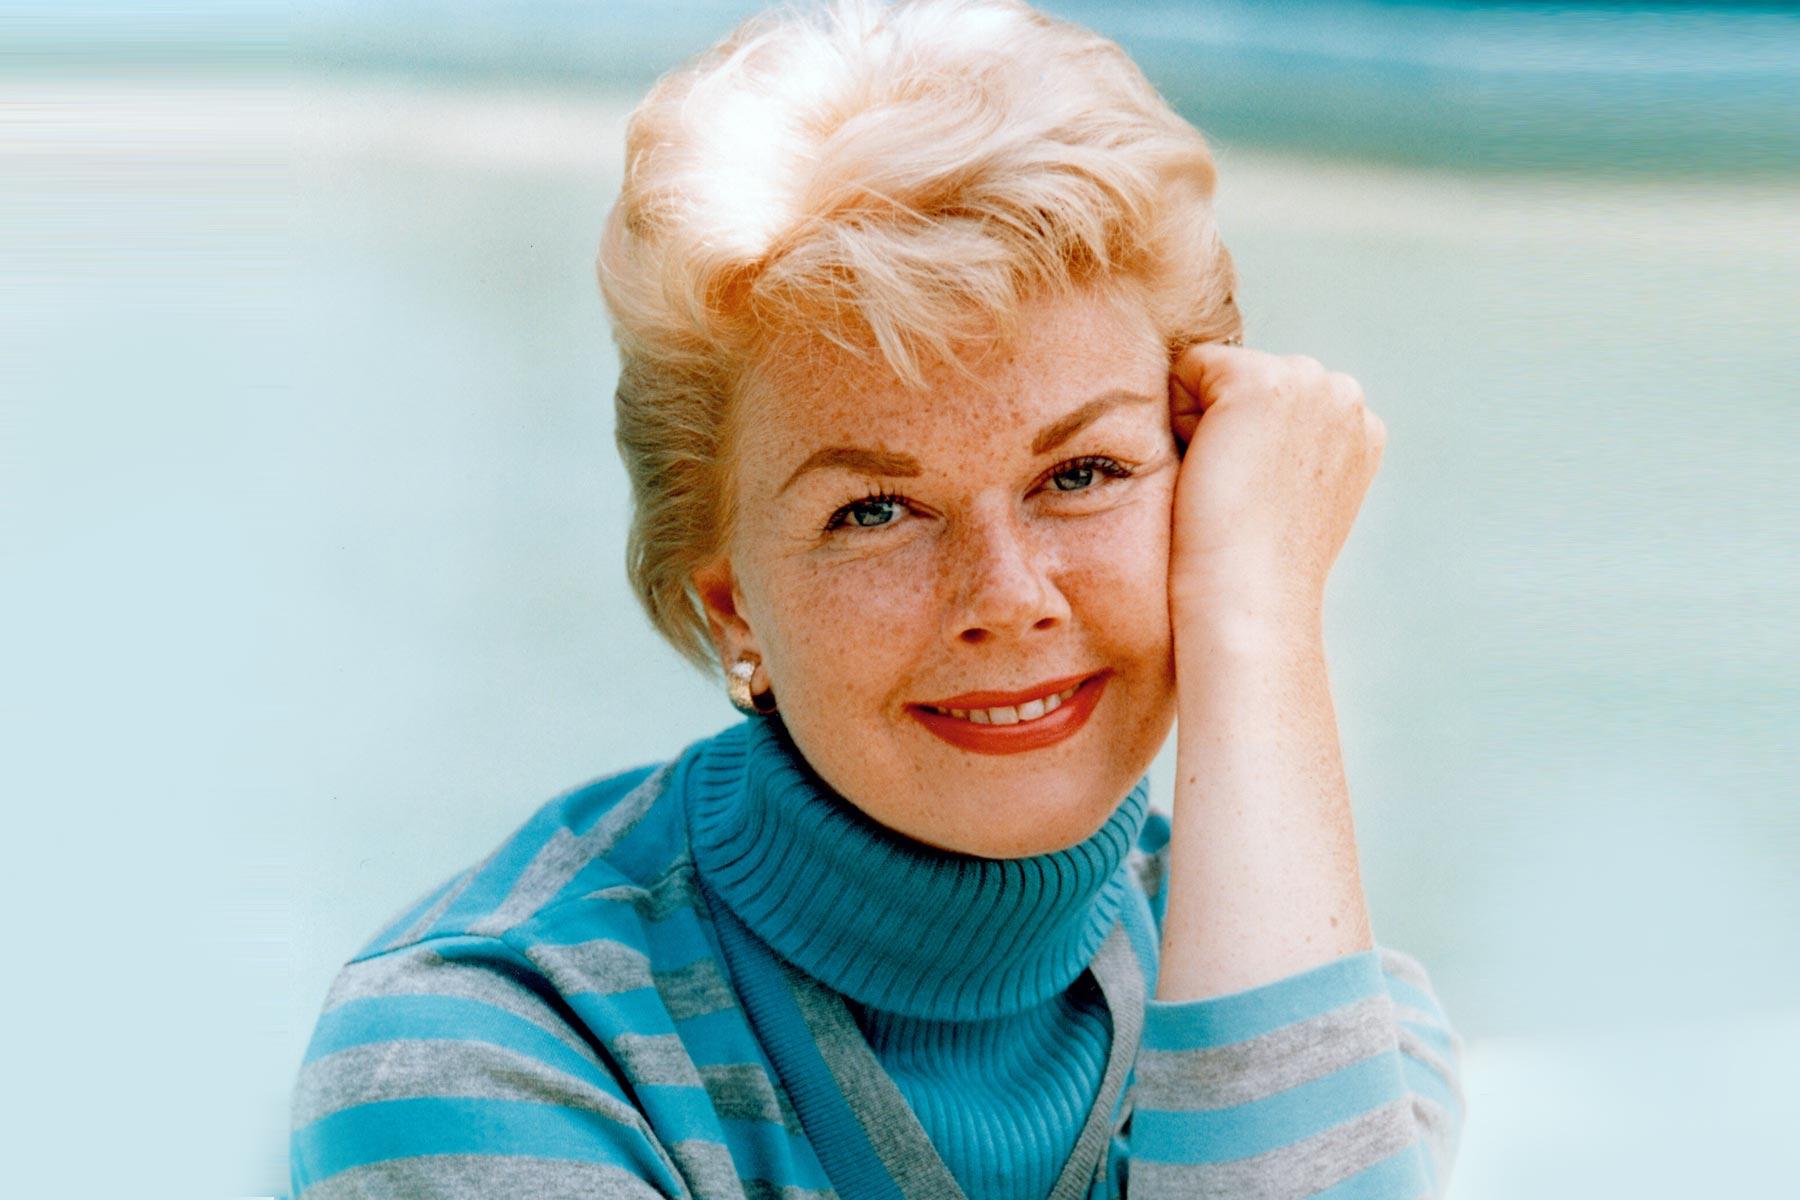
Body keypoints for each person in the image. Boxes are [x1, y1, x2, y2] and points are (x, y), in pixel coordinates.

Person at [288, 1, 1466, 1196]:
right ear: (732, 604)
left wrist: (1256, 624)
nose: (1007, 596)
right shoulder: (480, 1055)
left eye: (1082, 475)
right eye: (873, 512)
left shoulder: (1323, 1014)